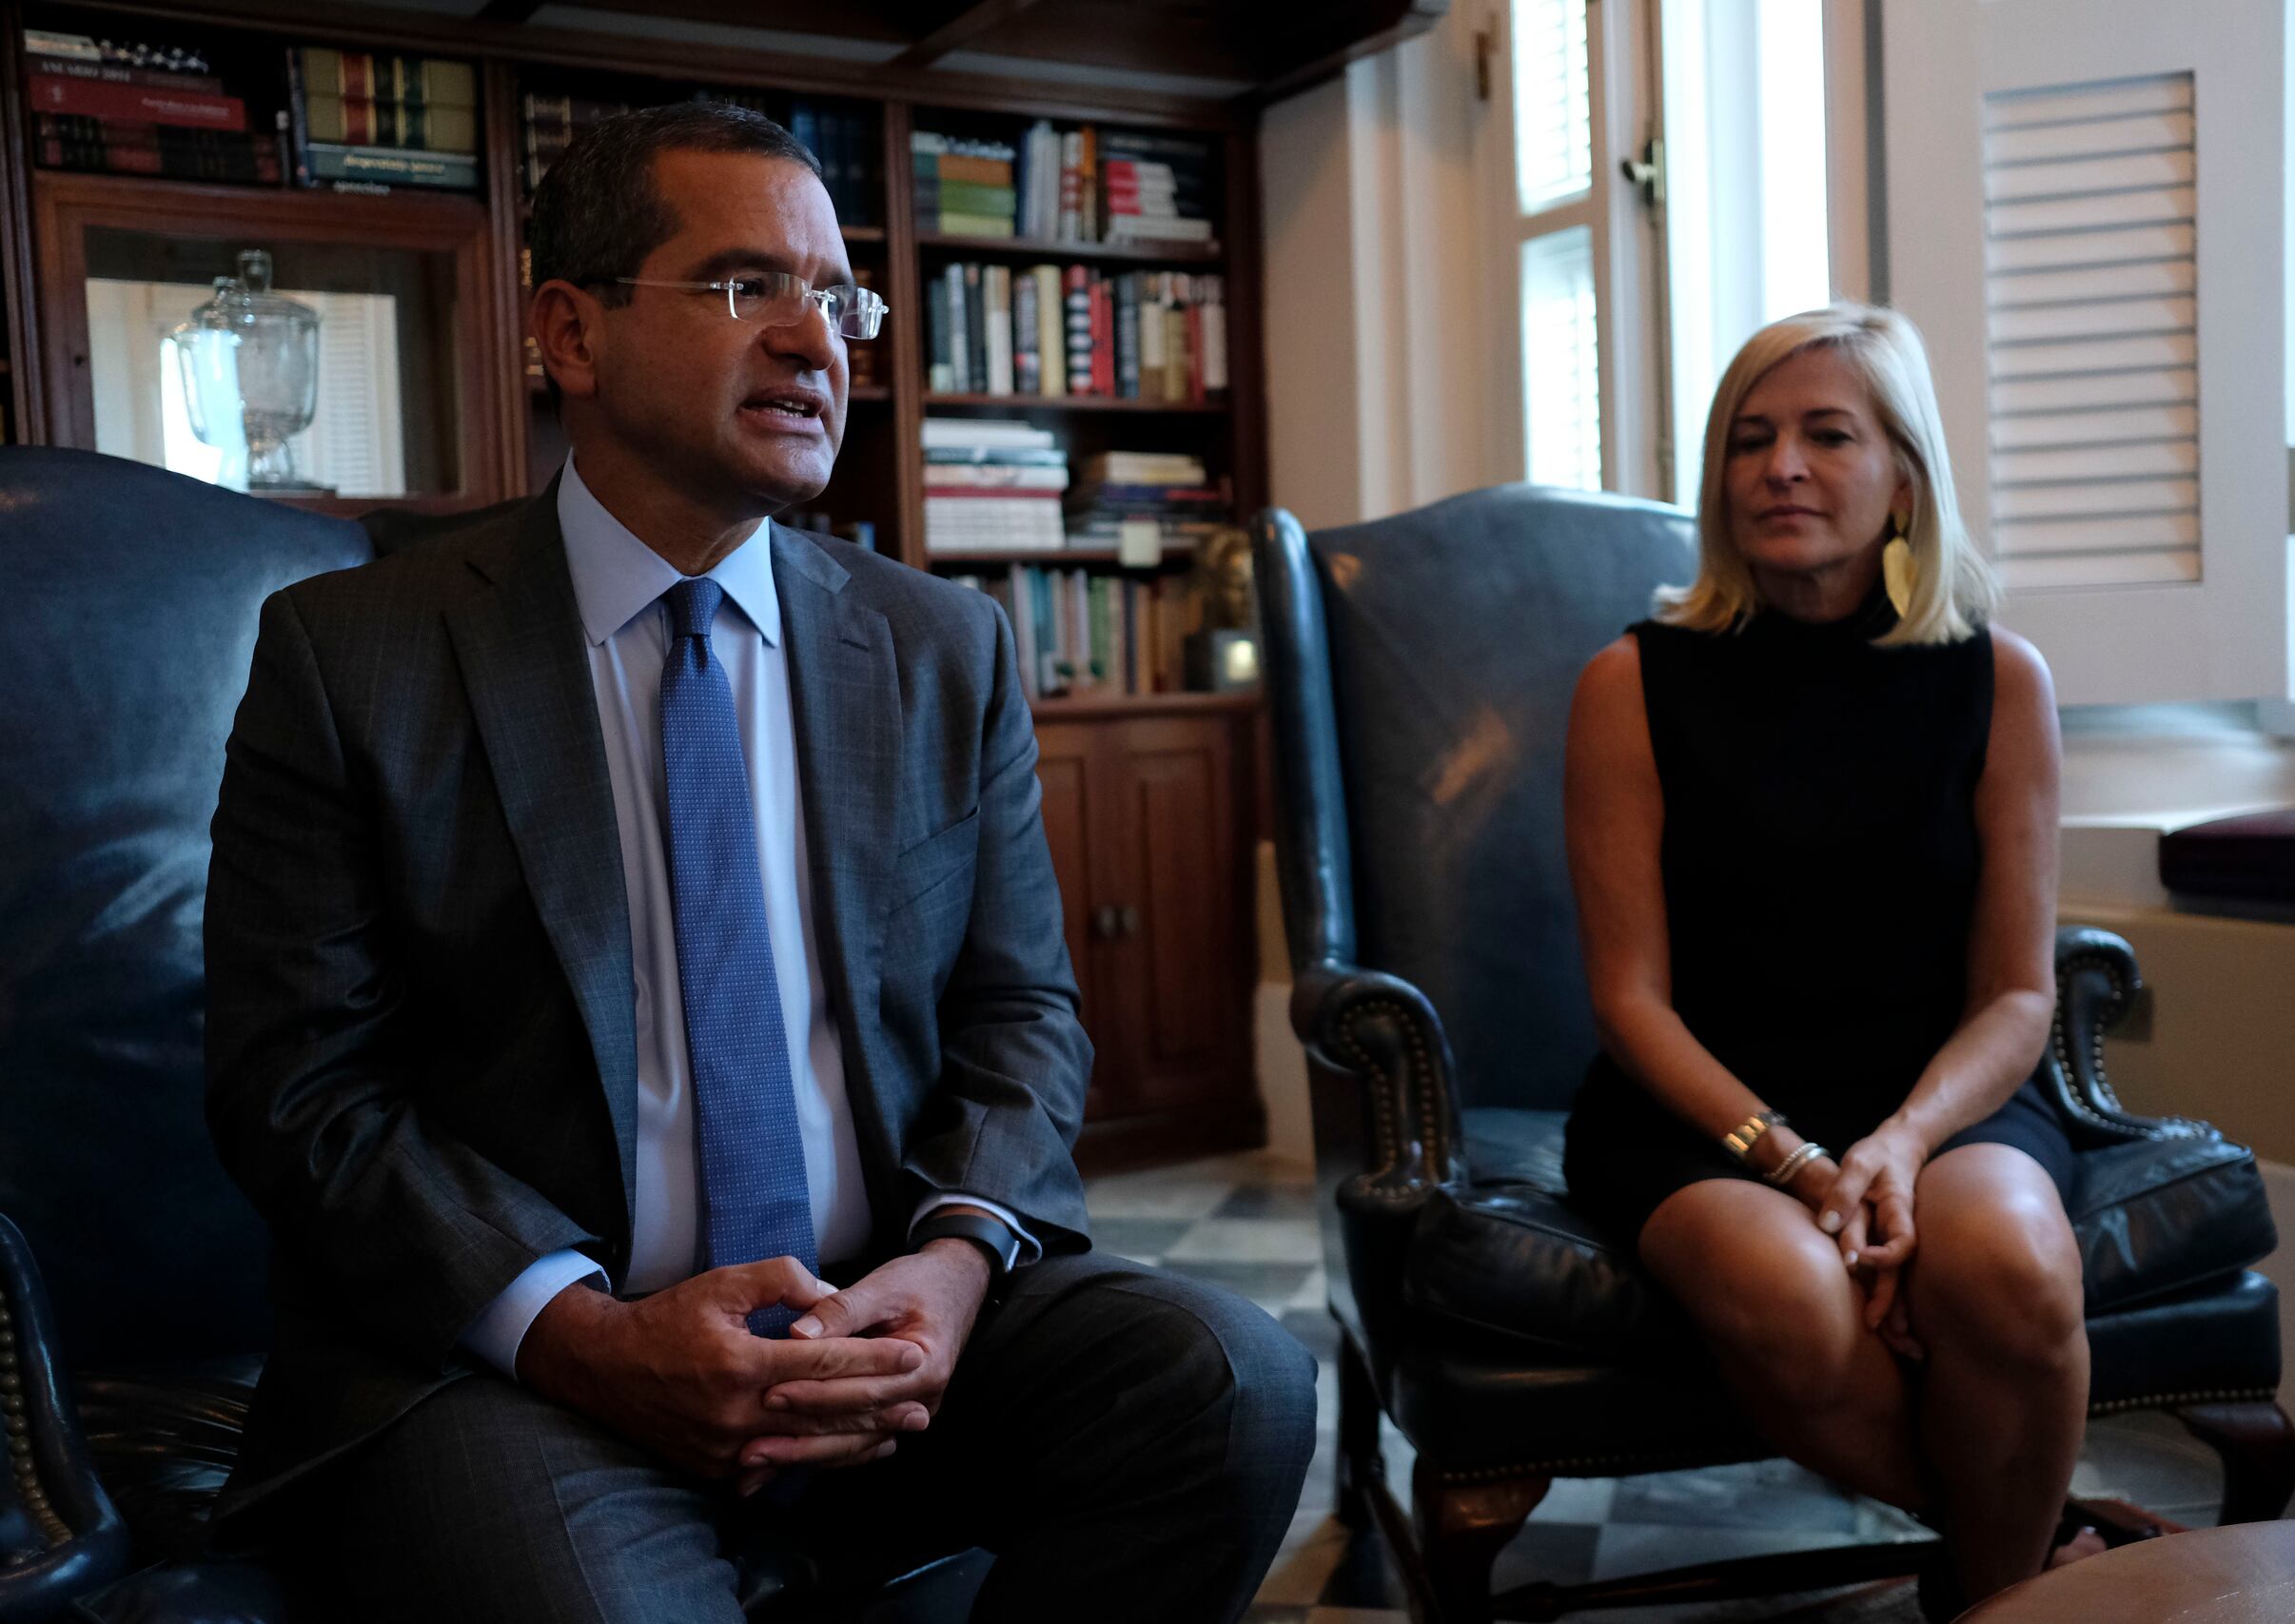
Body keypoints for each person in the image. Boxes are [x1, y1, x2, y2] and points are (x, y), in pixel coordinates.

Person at [203, 103, 1314, 1622]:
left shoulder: (941, 648)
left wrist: (954, 1261)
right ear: (571, 334)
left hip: (884, 1312)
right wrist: (584, 1333)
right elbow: (300, 1084)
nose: (816, 342)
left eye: (835, 298)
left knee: (1236, 1383)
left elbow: (1023, 1018)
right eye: (745, 288)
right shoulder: (356, 657)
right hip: (535, 1366)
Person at [1560, 303, 2088, 1613]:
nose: (1780, 466)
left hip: (1945, 1102)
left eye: (1825, 435)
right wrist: (1795, 1163)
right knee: (1793, 1297)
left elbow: (2020, 992)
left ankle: (1987, 1594)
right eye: (1750, 440)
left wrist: (1901, 1144)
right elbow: (1628, 1000)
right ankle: (2021, 1564)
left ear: (1906, 477)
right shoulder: (1628, 684)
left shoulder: (2001, 681)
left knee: (2012, 1268)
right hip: (1700, 1118)